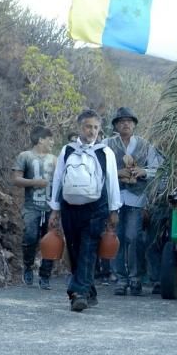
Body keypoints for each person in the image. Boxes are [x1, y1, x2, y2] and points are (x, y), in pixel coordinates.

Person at [48, 109, 121, 312]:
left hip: (96, 208)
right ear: (80, 127)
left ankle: (78, 293)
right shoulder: (67, 150)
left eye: (96, 127)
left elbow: (112, 182)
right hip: (69, 207)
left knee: (88, 249)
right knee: (74, 248)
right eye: (88, 126)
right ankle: (89, 291)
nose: (92, 131)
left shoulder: (105, 153)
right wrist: (55, 209)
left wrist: (114, 209)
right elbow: (58, 178)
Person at [105, 107, 162, 296]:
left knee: (134, 238)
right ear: (116, 125)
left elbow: (159, 170)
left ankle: (136, 278)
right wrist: (116, 173)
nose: (125, 124)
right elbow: (98, 168)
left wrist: (144, 172)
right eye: (121, 121)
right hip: (114, 199)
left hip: (137, 199)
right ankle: (121, 279)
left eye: (129, 121)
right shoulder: (107, 145)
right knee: (117, 238)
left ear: (134, 125)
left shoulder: (146, 146)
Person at [12, 125, 57, 289]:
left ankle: (45, 275)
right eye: (49, 139)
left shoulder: (55, 159)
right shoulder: (25, 156)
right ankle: (28, 267)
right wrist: (35, 182)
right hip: (31, 206)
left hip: (51, 207)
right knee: (30, 237)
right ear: (40, 139)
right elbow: (16, 179)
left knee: (51, 241)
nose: (52, 142)